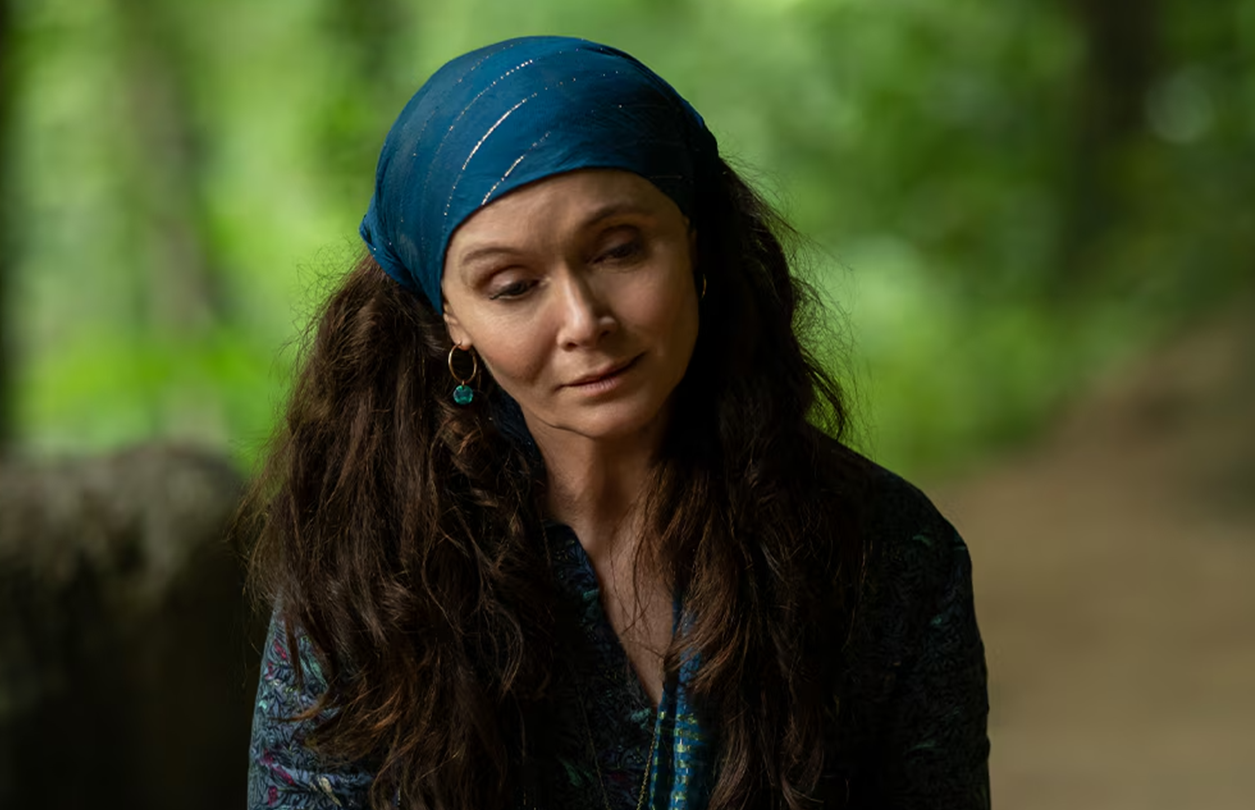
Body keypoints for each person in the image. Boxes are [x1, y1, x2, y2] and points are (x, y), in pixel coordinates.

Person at [242, 36, 988, 810]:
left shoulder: (888, 555)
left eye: (620, 250)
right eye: (511, 286)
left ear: (694, 246)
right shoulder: (368, 578)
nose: (583, 321)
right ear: (450, 318)